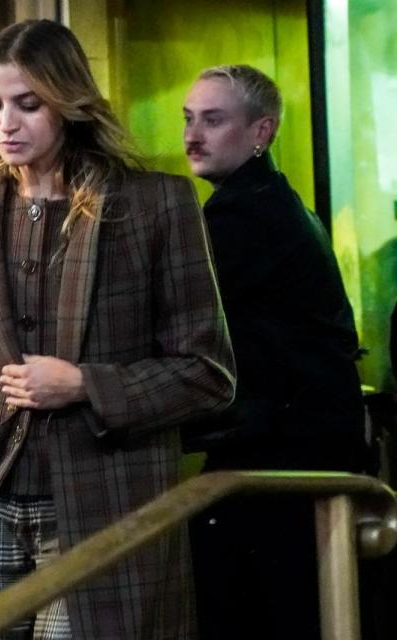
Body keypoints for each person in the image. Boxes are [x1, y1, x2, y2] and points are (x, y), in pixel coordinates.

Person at [0, 19, 236, 640]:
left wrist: (85, 384)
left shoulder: (155, 204)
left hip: (104, 508)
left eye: (30, 105)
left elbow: (209, 376)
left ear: (69, 104)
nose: (7, 124)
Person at [182, 65, 366, 640]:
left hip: (279, 470)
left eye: (213, 120)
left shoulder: (247, 215)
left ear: (262, 131)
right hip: (288, 461)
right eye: (188, 119)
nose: (192, 136)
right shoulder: (273, 204)